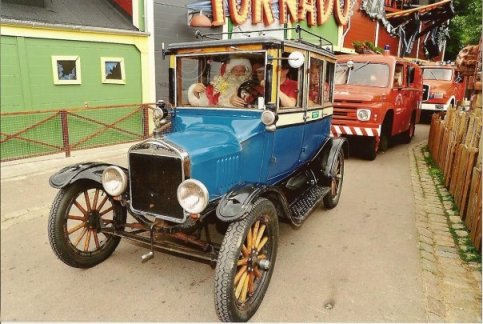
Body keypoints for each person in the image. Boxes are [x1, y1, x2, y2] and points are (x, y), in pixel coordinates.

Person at [187, 57, 252, 107]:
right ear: (230, 72)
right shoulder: (223, 83)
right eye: (235, 70)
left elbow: (252, 104)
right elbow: (210, 97)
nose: (238, 73)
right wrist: (195, 91)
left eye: (241, 71)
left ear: (246, 73)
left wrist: (234, 102)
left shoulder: (251, 86)